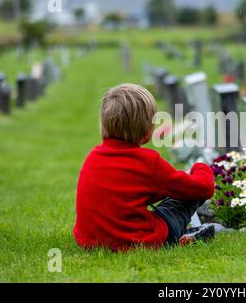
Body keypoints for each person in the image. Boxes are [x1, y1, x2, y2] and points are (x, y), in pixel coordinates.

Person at [73, 84, 215, 251]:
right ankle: (179, 237)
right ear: (147, 130)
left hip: (89, 241)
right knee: (182, 197)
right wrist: (201, 167)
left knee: (171, 194)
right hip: (138, 241)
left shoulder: (93, 157)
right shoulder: (147, 161)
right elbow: (203, 189)